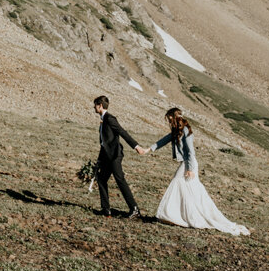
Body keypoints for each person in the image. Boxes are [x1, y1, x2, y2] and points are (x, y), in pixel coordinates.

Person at [136, 106, 249, 235]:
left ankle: (172, 216)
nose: (168, 121)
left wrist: (190, 169)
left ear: (173, 118)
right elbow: (163, 141)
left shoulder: (185, 130)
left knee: (177, 183)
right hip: (186, 163)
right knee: (190, 190)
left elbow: (191, 152)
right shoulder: (176, 130)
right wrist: (148, 149)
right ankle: (178, 216)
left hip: (189, 164)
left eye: (169, 119)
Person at [92, 95, 144, 218]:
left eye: (95, 105)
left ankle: (134, 209)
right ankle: (106, 210)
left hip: (115, 156)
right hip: (107, 156)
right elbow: (104, 142)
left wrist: (136, 146)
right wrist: (99, 160)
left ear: (100, 106)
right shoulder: (103, 119)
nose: (93, 107)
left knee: (120, 180)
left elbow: (122, 132)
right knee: (101, 179)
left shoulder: (110, 119)